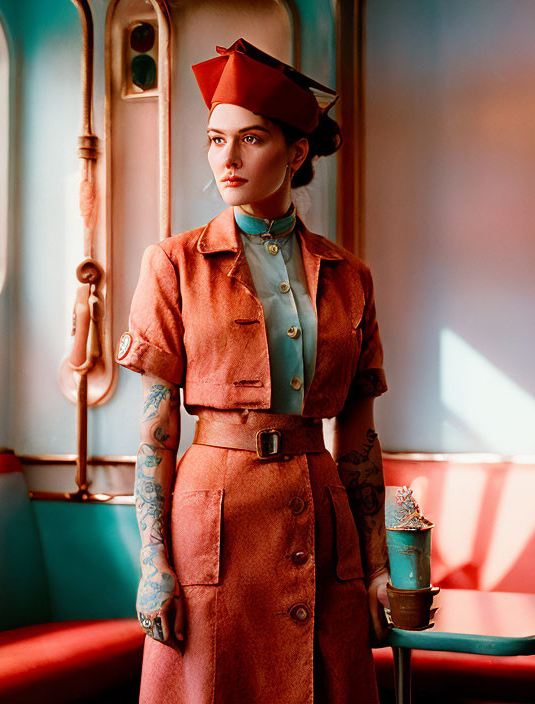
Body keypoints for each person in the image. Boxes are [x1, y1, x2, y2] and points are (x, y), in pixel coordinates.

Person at [116, 38, 390, 704]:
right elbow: (155, 435)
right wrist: (152, 564)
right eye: (216, 140)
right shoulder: (173, 264)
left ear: (296, 153)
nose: (227, 159)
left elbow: (357, 440)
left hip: (321, 517)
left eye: (250, 139)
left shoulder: (350, 276)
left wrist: (379, 565)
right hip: (214, 525)